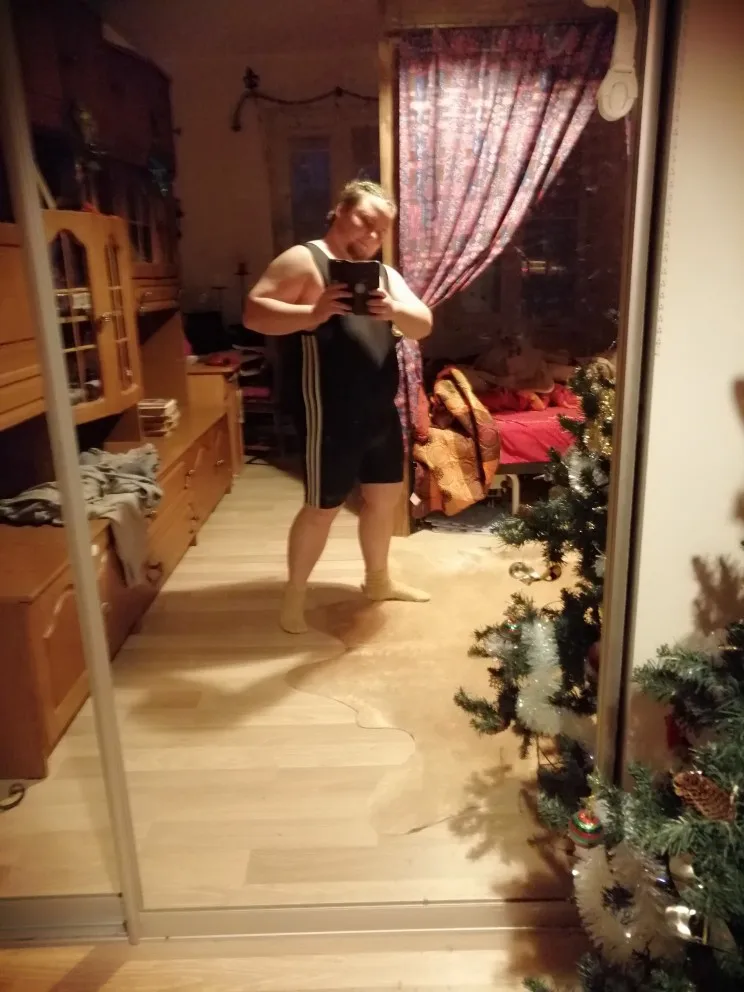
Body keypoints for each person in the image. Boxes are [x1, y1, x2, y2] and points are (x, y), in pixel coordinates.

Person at [243, 179, 432, 633]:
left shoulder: (384, 276)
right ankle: (294, 595)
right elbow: (253, 313)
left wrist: (395, 312)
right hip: (328, 413)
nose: (372, 235)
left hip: (380, 411)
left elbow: (423, 324)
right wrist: (313, 313)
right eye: (365, 220)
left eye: (382, 229)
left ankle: (378, 581)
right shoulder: (303, 259)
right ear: (340, 211)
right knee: (322, 507)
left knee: (383, 500)